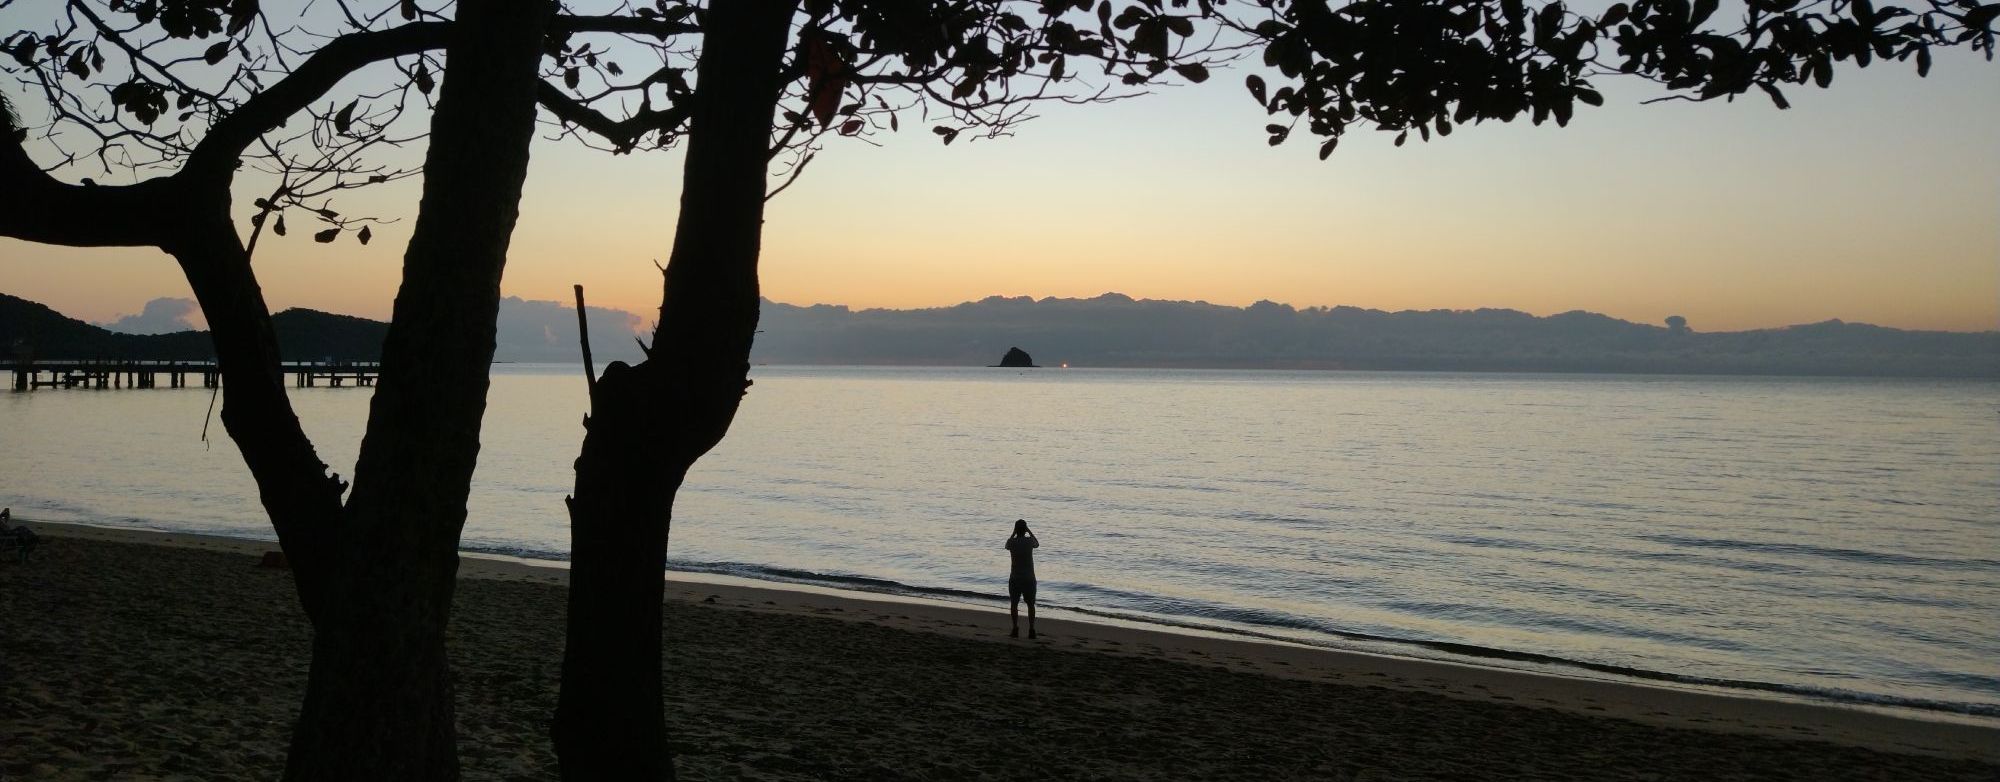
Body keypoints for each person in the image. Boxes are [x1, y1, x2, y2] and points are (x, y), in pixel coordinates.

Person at [1005, 519, 1040, 638]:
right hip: (1029, 578)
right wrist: (1029, 531)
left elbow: (1006, 546)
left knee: (1014, 604)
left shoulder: (1012, 542)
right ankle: (1031, 629)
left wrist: (1013, 533)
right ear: (1025, 530)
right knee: (1031, 604)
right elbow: (1037, 543)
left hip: (1015, 577)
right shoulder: (1029, 541)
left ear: (1016, 530)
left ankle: (1015, 628)